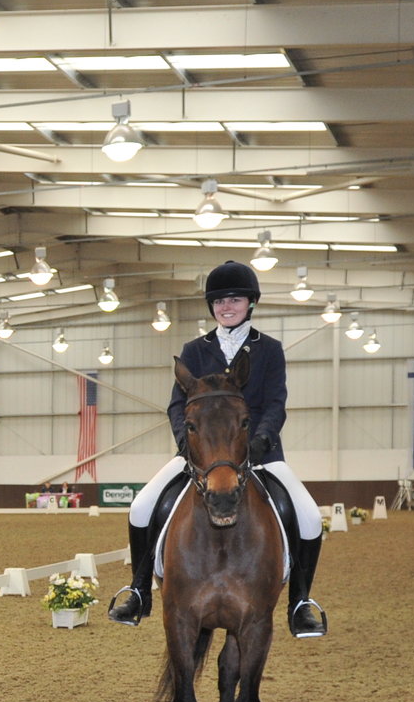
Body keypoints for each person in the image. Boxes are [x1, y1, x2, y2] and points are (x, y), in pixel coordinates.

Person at [107, 261, 327, 637]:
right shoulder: (194, 349)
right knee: (142, 506)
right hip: (203, 455)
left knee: (307, 517)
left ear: (250, 303)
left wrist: (261, 439)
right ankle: (139, 588)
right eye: (220, 301)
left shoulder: (269, 350)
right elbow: (178, 404)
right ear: (212, 306)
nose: (227, 307)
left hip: (260, 455)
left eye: (235, 300)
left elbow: (276, 403)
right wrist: (184, 441)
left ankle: (300, 602)